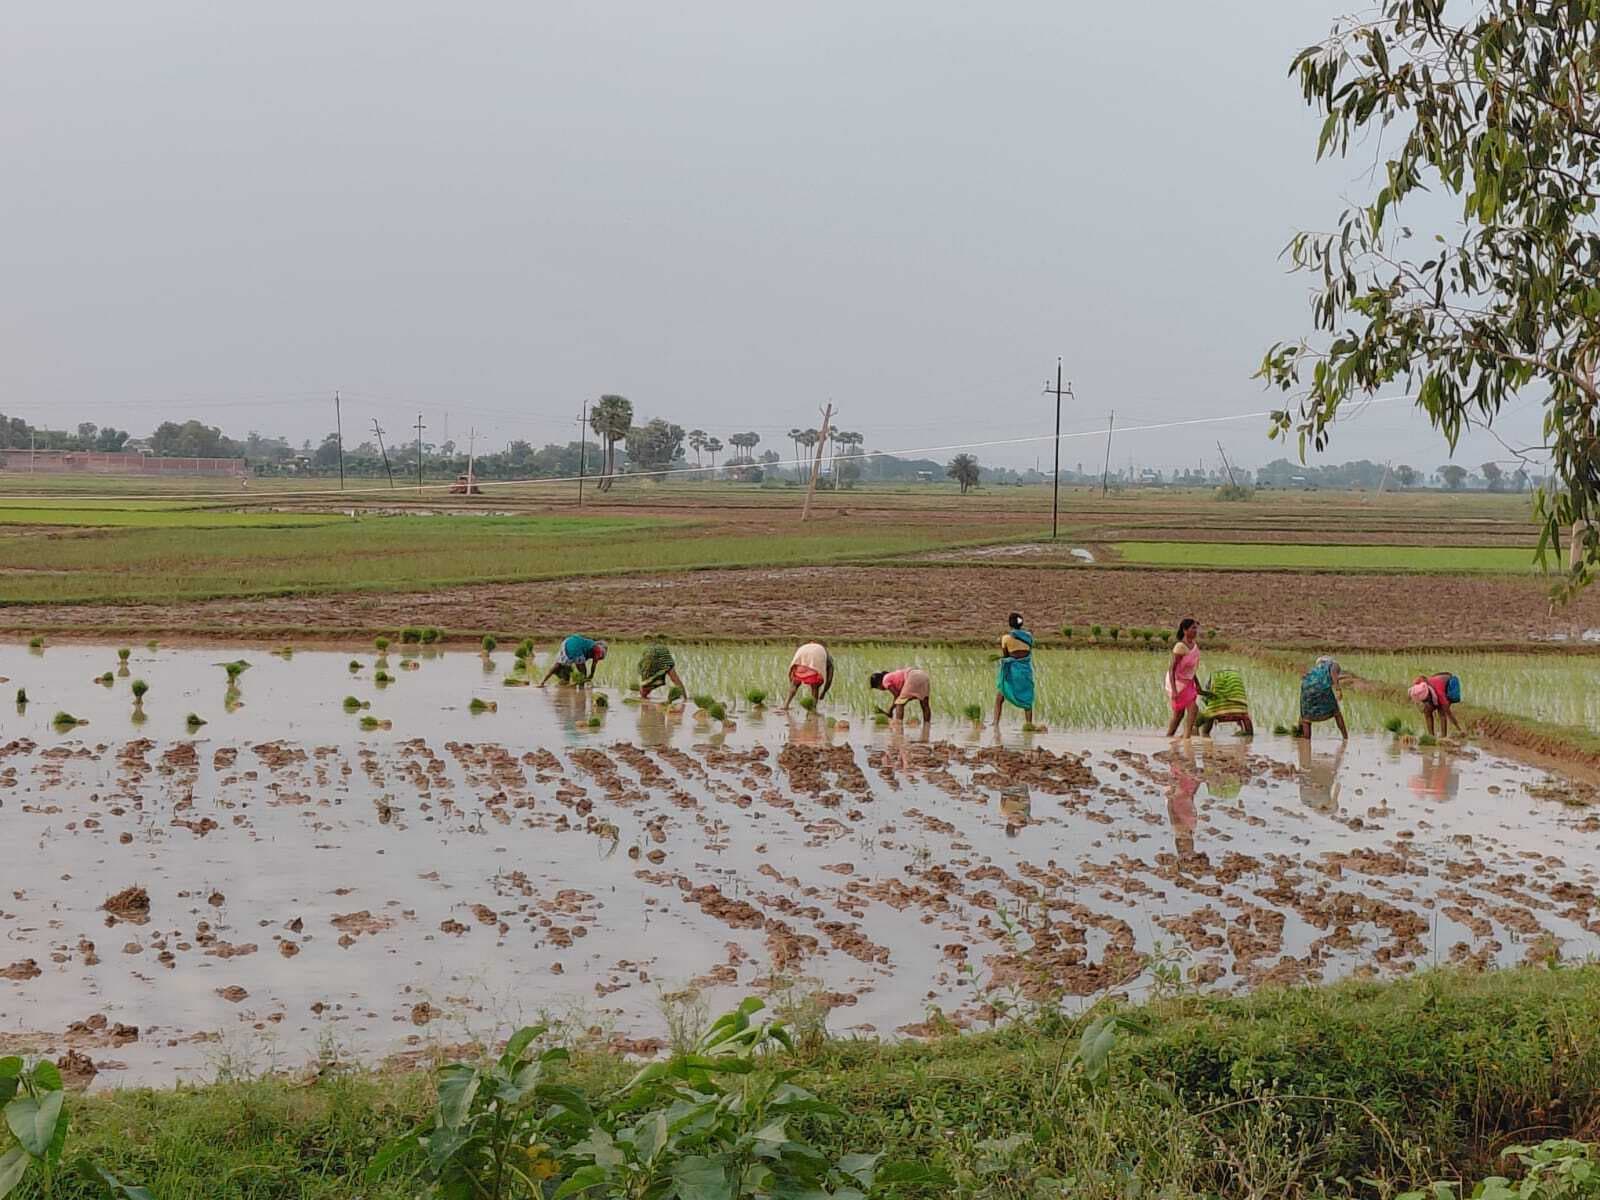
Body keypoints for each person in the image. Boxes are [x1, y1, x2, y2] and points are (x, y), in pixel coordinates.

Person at [991, 612, 1036, 726]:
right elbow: (1028, 651)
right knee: (1027, 699)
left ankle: (995, 723)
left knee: (1000, 697)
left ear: (1010, 624)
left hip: (1013, 672)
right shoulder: (1029, 636)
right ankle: (1029, 724)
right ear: (1021, 623)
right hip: (1025, 671)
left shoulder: (1005, 638)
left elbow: (1006, 655)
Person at [1164, 618, 1202, 737]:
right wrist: (1174, 691)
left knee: (1185, 712)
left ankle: (1179, 737)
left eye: (1196, 628)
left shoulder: (1194, 646)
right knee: (1186, 711)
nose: (1196, 631)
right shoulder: (1180, 647)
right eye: (1193, 628)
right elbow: (1172, 669)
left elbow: (1191, 669)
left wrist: (1198, 684)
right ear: (1185, 630)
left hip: (1188, 681)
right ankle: (1182, 737)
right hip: (1177, 682)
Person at [1298, 655, 1350, 739]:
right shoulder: (1333, 664)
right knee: (1336, 713)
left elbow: (1304, 677)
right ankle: (1345, 737)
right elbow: (1333, 674)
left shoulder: (1315, 669)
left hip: (1306, 689)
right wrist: (1338, 689)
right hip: (1322, 687)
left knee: (1306, 718)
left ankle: (1305, 743)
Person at [1195, 667, 1253, 737]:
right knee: (1245, 718)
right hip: (1238, 711)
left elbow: (1205, 695)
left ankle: (1202, 735)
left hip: (1216, 712)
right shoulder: (1239, 704)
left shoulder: (1214, 704)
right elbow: (1250, 732)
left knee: (1208, 717)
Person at [780, 641, 834, 710]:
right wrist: (824, 692)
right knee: (815, 686)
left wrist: (792, 683)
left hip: (801, 654)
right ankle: (813, 708)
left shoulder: (809, 647)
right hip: (815, 657)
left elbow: (792, 673)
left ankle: (785, 705)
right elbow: (829, 679)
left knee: (795, 683)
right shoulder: (828, 658)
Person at [1409, 672, 1464, 738]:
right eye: (1424, 701)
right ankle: (1431, 736)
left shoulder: (1440, 693)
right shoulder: (1421, 686)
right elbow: (1419, 678)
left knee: (1441, 712)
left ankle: (1444, 736)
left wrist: (1459, 729)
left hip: (1448, 685)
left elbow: (1448, 713)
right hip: (1435, 685)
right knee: (1427, 711)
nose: (1426, 702)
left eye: (1427, 700)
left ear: (1429, 695)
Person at [538, 634, 606, 687]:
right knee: (583, 673)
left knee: (558, 664)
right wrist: (591, 675)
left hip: (567, 642)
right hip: (576, 649)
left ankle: (542, 682)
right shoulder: (599, 652)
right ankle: (581, 691)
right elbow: (593, 665)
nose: (598, 659)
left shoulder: (591, 643)